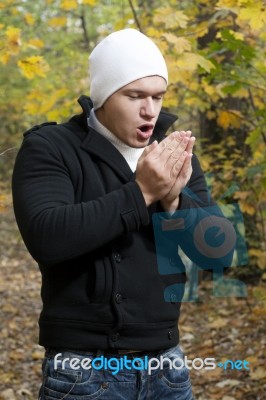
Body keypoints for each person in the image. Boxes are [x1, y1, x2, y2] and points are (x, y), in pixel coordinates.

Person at [12, 29, 233, 400]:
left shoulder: (174, 154)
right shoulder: (50, 147)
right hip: (83, 372)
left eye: (157, 96)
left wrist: (175, 201)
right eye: (135, 96)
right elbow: (47, 237)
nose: (150, 109)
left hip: (168, 367)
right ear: (102, 96)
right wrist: (144, 191)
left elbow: (220, 255)